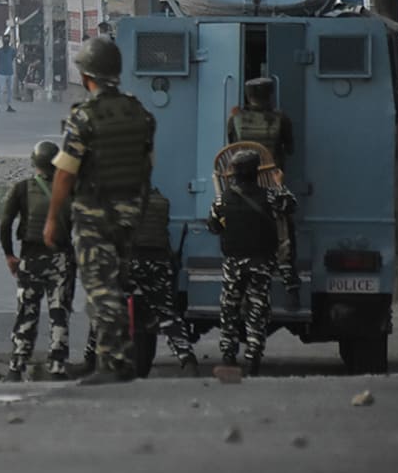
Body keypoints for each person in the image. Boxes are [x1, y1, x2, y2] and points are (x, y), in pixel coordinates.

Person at [43, 36, 154, 385]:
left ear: (87, 75)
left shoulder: (84, 117)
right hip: (130, 212)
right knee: (117, 284)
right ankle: (119, 358)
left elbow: (64, 173)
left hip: (95, 212)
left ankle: (113, 363)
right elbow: (146, 167)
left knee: (100, 287)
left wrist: (52, 219)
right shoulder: (140, 113)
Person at [208, 149, 292, 375]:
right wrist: (279, 183)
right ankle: (253, 355)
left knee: (229, 308)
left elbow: (213, 227)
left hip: (234, 263)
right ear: (257, 171)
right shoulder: (270, 196)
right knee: (257, 309)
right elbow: (290, 206)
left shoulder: (222, 200)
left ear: (234, 172)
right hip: (261, 262)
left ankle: (228, 353)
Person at [0, 140, 73, 381]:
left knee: (26, 311)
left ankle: (16, 366)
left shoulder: (21, 189)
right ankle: (57, 366)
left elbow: (5, 223)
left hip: (30, 257)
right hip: (61, 257)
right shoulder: (69, 189)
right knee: (59, 311)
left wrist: (10, 255)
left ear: (34, 163)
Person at [226, 76, 300, 307]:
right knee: (284, 233)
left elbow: (232, 145)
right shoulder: (281, 119)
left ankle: (239, 292)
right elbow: (290, 149)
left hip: (241, 189)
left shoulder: (235, 119)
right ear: (270, 95)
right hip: (270, 187)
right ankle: (290, 284)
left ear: (248, 96)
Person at [128, 187, 200, 375]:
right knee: (166, 313)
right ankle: (187, 358)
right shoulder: (161, 200)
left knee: (109, 307)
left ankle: (100, 359)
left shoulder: (124, 199)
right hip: (159, 262)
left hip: (132, 260)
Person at [0, 34, 17, 113]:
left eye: (7, 39)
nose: (6, 41)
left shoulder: (12, 50)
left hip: (9, 72)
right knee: (0, 90)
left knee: (9, 90)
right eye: (5, 39)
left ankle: (9, 105)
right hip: (2, 73)